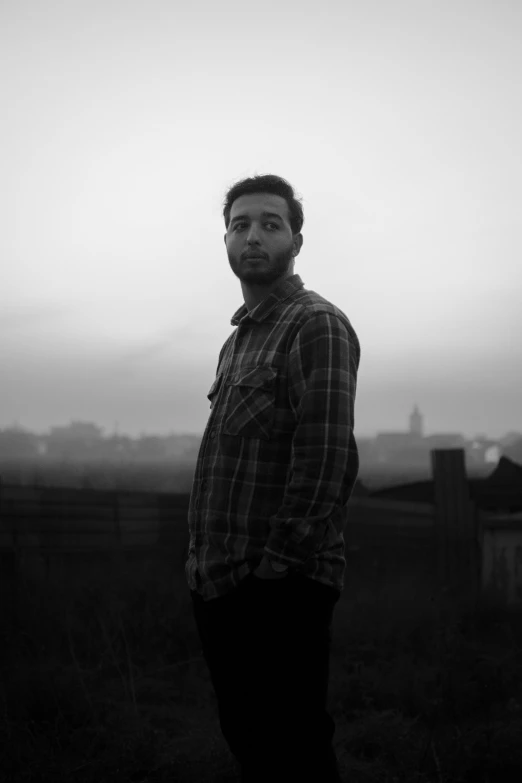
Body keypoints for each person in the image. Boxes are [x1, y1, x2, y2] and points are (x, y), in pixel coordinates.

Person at [186, 174, 360, 782]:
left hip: (277, 588)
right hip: (220, 582)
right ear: (225, 240)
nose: (252, 236)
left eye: (270, 223)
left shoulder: (317, 325)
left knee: (294, 750)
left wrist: (273, 572)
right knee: (252, 746)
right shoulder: (238, 342)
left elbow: (325, 460)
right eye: (240, 224)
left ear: (296, 241)